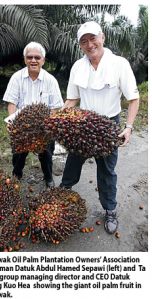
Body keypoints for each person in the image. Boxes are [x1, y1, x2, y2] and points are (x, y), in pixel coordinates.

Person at [59, 21, 139, 234]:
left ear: (102, 37)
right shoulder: (78, 66)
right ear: (80, 45)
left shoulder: (119, 64)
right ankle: (61, 194)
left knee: (106, 170)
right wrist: (57, 117)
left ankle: (110, 210)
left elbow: (133, 98)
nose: (89, 44)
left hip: (108, 126)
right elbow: (72, 100)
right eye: (84, 41)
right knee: (72, 163)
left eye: (92, 38)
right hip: (83, 124)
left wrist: (128, 127)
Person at [3, 41, 64, 187]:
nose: (33, 60)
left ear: (43, 60)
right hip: (21, 125)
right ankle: (16, 175)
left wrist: (45, 125)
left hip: (43, 127)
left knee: (47, 153)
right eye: (29, 57)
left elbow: (55, 108)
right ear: (25, 59)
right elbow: (12, 103)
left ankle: (48, 177)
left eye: (37, 57)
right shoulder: (16, 78)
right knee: (18, 154)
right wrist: (11, 123)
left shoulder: (51, 80)